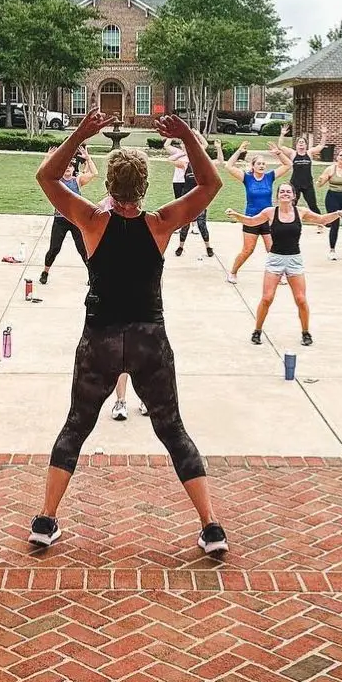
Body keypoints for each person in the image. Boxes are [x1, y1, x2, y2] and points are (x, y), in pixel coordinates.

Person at [28, 109, 228, 556]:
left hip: (99, 338)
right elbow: (210, 185)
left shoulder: (92, 222)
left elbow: (47, 177)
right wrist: (188, 136)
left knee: (76, 425)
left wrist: (82, 133)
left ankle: (45, 521)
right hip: (148, 340)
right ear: (145, 187)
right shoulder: (159, 224)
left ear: (108, 186)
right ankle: (211, 526)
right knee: (172, 429)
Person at [226, 183, 342, 345]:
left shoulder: (301, 212)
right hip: (275, 259)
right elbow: (251, 222)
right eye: (282, 191)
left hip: (294, 260)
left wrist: (339, 213)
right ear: (277, 196)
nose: (285, 194)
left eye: (288, 192)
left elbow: (321, 219)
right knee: (267, 298)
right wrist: (236, 215)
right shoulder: (270, 212)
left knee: (301, 299)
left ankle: (306, 332)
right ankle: (257, 331)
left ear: (294, 196)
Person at [221, 139, 288, 284]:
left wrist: (279, 153)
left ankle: (279, 274)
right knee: (247, 250)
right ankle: (233, 272)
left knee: (272, 249)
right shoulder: (247, 178)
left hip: (268, 220)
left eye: (264, 164)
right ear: (253, 166)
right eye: (259, 163)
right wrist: (239, 151)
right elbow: (228, 166)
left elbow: (288, 164)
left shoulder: (270, 177)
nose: (262, 166)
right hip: (251, 219)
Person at [40, 146, 98, 284]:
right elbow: (42, 175)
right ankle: (45, 272)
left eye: (70, 166)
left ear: (73, 169)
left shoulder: (77, 181)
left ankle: (92, 276)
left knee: (83, 249)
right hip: (60, 220)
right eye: (65, 166)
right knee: (54, 248)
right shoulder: (57, 182)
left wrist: (88, 158)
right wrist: (47, 157)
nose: (68, 168)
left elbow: (94, 173)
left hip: (75, 220)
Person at [167, 135, 213, 258]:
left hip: (199, 199)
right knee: (185, 224)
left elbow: (213, 158)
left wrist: (197, 135)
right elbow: (170, 159)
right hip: (187, 199)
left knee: (202, 225)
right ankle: (180, 247)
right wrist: (183, 153)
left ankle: (208, 247)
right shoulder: (184, 164)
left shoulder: (201, 165)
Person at [268, 123, 328, 214]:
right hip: (295, 183)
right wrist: (282, 134)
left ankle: (321, 221)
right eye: (299, 142)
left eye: (303, 142)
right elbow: (280, 147)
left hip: (308, 184)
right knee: (292, 204)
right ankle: (288, 220)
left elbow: (321, 146)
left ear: (306, 145)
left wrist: (324, 134)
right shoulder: (292, 153)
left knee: (312, 205)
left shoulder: (309, 153)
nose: (301, 143)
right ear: (296, 145)